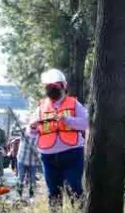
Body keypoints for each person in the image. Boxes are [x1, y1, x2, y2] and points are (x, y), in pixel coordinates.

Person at [28, 69, 89, 204]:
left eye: (55, 86)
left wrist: (66, 119)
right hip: (48, 157)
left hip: (72, 154)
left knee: (74, 189)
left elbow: (85, 123)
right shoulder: (41, 107)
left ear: (63, 86)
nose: (52, 89)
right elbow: (30, 133)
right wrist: (32, 127)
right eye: (49, 87)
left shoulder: (74, 104)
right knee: (53, 193)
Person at [16, 127, 40, 199]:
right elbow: (18, 129)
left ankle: (31, 196)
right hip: (22, 159)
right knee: (21, 177)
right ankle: (19, 196)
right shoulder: (25, 131)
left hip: (33, 161)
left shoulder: (39, 134)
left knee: (32, 179)